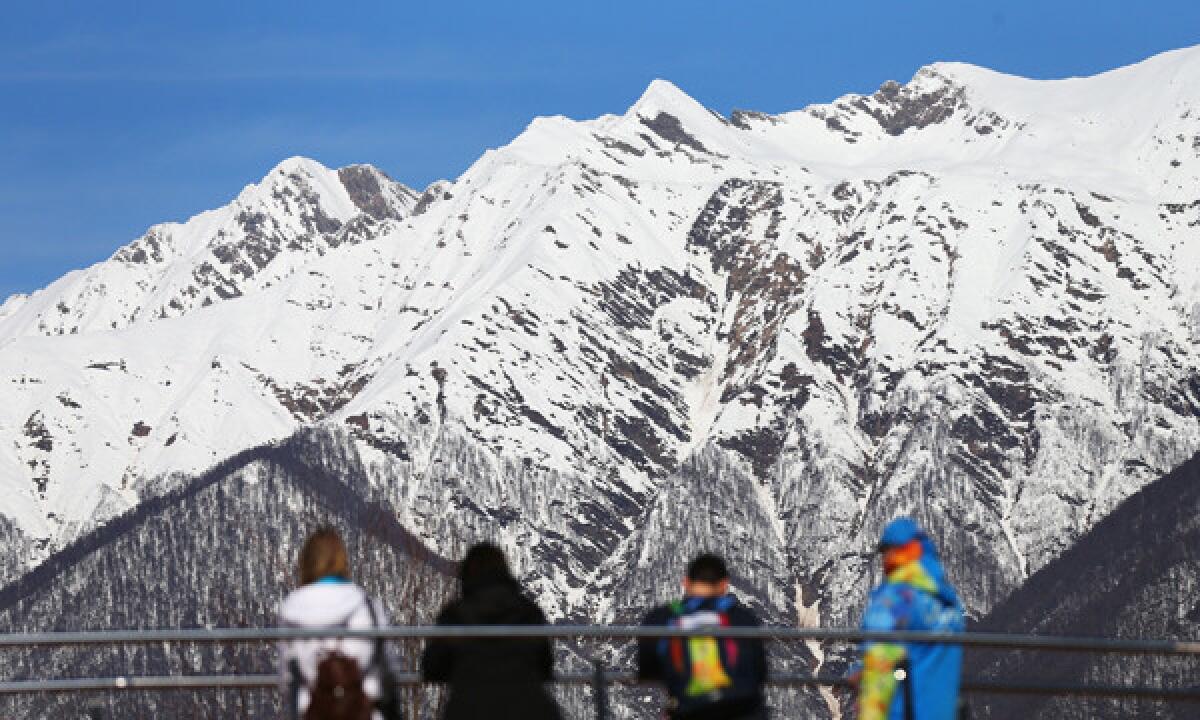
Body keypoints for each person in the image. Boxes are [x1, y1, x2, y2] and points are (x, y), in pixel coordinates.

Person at [421, 542, 563, 720]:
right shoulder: (528, 611)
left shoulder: (455, 613)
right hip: (531, 709)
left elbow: (432, 668)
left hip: (469, 709)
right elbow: (545, 666)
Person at [279, 527, 400, 720]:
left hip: (313, 713)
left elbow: (289, 677)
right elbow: (388, 668)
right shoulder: (367, 607)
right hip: (365, 712)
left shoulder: (292, 611)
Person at [855, 517, 965, 720]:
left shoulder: (898, 599)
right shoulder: (949, 604)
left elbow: (880, 658)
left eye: (886, 551)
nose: (884, 559)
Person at [637, 553, 769, 720]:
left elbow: (648, 671)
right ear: (724, 585)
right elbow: (759, 672)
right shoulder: (742, 618)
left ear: (686, 583)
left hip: (689, 710)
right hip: (742, 710)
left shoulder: (662, 618)